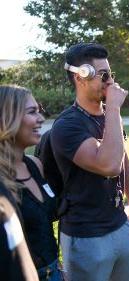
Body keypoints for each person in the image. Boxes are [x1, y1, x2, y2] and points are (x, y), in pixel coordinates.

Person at [50, 43, 129, 281]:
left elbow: (122, 159)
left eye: (111, 75)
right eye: (104, 75)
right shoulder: (66, 126)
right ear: (80, 76)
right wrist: (113, 107)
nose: (110, 82)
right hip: (85, 236)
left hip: (120, 223)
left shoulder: (109, 117)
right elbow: (109, 165)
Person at [0, 85, 61, 281]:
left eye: (39, 110)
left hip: (53, 271)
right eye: (32, 112)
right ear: (7, 118)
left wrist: (57, 268)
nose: (41, 119)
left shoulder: (35, 165)